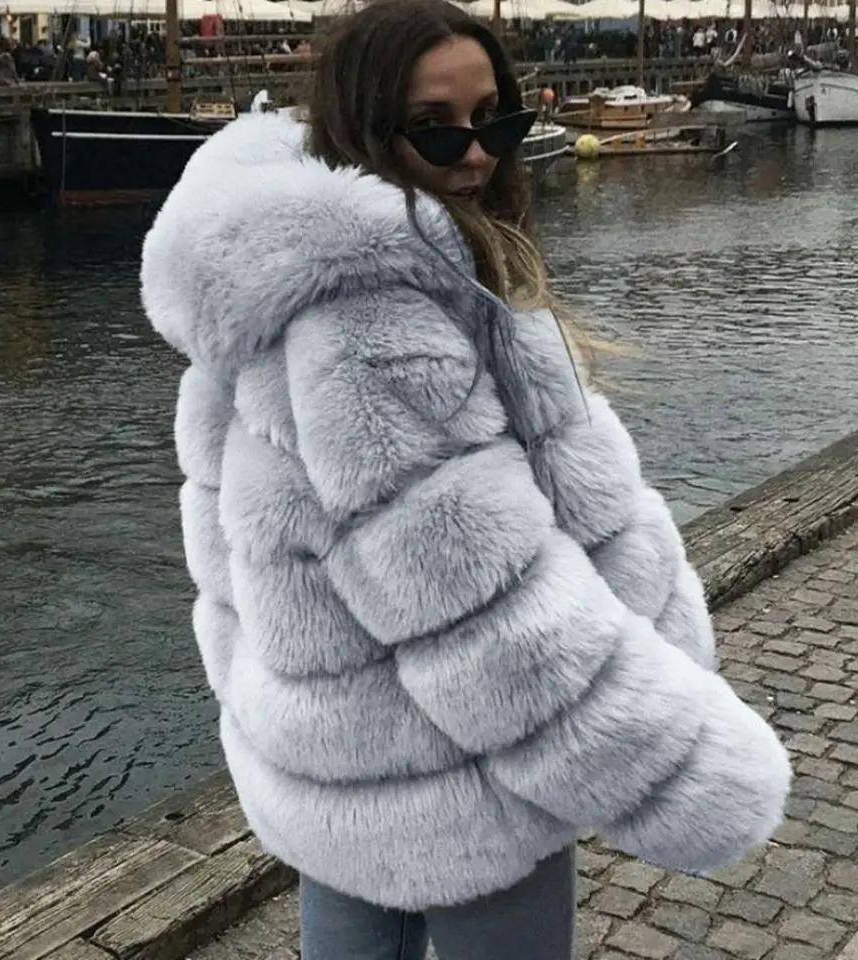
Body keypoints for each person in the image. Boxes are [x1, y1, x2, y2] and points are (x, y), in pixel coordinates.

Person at [141, 1, 792, 957]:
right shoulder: (375, 326)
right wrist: (681, 770)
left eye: (496, 119)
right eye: (437, 128)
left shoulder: (280, 284)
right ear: (366, 129)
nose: (478, 153)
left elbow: (228, 555)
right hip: (459, 780)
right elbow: (481, 609)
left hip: (340, 761)